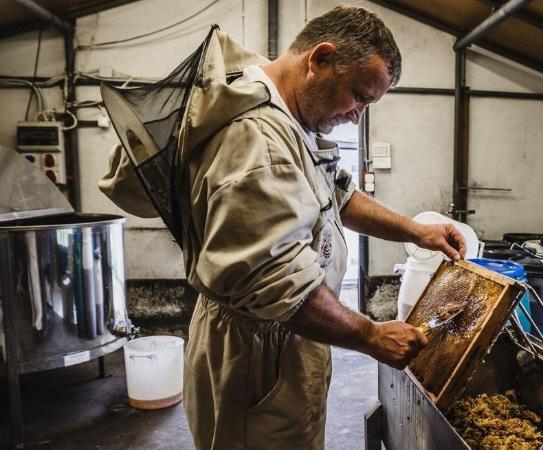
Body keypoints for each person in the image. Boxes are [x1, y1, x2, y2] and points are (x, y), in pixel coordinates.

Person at [99, 5, 465, 450]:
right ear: (320, 59)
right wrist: (371, 335)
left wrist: (415, 231)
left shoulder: (291, 116)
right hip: (258, 353)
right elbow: (277, 285)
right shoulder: (258, 140)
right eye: (358, 96)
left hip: (284, 337)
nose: (358, 116)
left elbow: (338, 195)